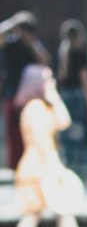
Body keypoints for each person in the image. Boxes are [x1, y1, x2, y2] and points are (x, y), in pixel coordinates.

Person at [9, 64, 87, 227]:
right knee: (31, 214)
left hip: (46, 166)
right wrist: (56, 169)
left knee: (64, 211)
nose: (52, 83)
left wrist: (55, 97)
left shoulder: (44, 105)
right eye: (48, 80)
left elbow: (64, 122)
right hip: (36, 167)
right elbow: (42, 143)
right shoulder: (34, 108)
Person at [1, 10, 50, 172]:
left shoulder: (32, 46)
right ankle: (17, 167)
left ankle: (34, 165)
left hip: (31, 97)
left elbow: (45, 61)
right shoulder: (10, 43)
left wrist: (31, 42)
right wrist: (13, 22)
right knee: (14, 134)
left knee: (32, 133)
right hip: (12, 94)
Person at [55, 19, 87, 184]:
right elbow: (85, 80)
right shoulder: (79, 54)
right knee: (80, 136)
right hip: (78, 98)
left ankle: (71, 172)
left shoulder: (63, 53)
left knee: (69, 136)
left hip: (66, 97)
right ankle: (82, 174)